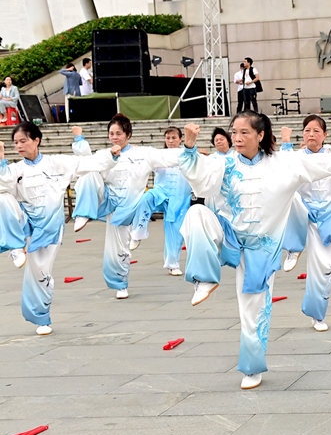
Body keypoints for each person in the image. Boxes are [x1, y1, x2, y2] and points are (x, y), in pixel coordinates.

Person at [177, 112, 331, 389]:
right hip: (228, 234)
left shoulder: (285, 163)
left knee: (252, 310)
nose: (237, 138)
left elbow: (324, 162)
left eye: (244, 132)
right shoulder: (225, 162)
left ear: (260, 135)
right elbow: (199, 178)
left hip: (261, 247)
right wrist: (188, 146)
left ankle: (252, 368)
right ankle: (205, 277)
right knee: (196, 212)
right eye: (235, 132)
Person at [0, 123, 119, 335]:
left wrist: (110, 154)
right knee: (2, 198)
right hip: (24, 222)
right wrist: (1, 162)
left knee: (39, 271)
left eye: (23, 141)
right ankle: (14, 247)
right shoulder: (14, 169)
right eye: (15, 142)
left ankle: (41, 318)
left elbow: (85, 163)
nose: (18, 145)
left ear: (36, 140)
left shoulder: (56, 163)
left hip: (49, 226)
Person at [71, 114, 184, 299]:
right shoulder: (103, 154)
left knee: (120, 248)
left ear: (128, 134)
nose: (115, 137)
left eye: (119, 134)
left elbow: (167, 156)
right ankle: (83, 212)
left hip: (129, 207)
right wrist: (79, 139)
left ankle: (121, 284)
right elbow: (85, 162)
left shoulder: (143, 154)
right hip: (108, 201)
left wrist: (190, 149)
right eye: (111, 134)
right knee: (88, 173)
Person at [280, 116, 331, 331]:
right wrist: (286, 141)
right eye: (307, 130)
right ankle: (293, 248)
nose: (311, 134)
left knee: (327, 268)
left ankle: (317, 315)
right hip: (303, 212)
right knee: (291, 197)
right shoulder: (295, 157)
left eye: (316, 131)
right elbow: (278, 165)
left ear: (325, 135)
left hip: (328, 213)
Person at [128, 127, 193, 276]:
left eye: (173, 138)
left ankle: (173, 264)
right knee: (146, 198)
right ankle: (138, 232)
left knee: (175, 233)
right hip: (160, 193)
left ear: (180, 139)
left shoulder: (187, 155)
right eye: (168, 138)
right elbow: (143, 159)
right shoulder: (158, 155)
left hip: (179, 199)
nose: (170, 141)